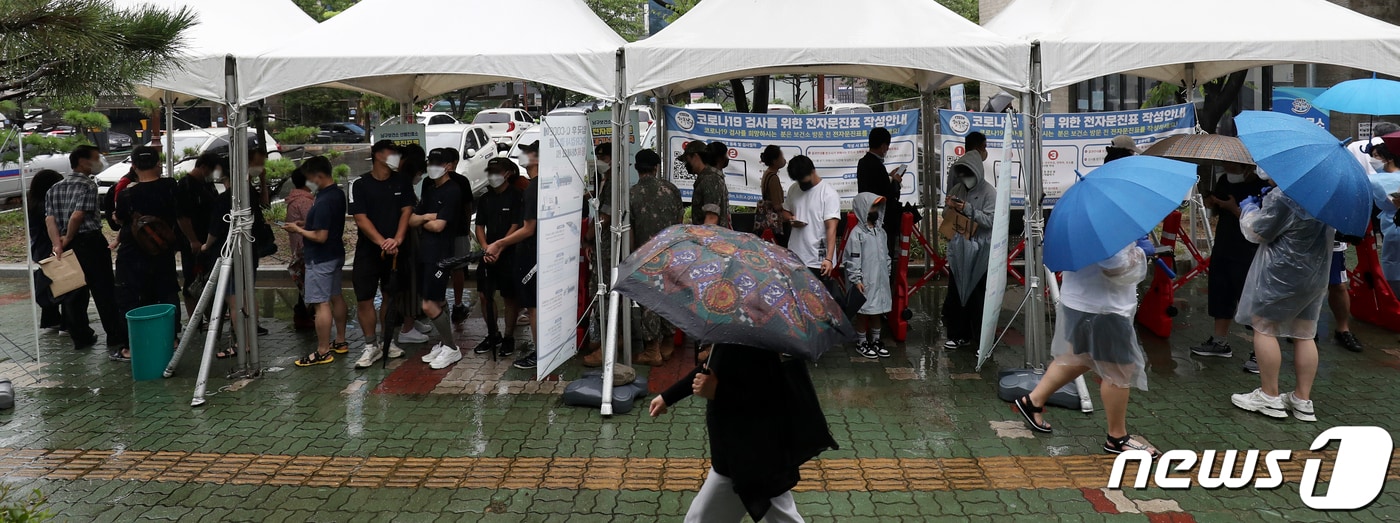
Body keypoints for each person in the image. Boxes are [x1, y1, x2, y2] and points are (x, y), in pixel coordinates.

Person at [649, 343, 836, 522]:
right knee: (781, 513)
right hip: (755, 457)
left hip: (742, 458)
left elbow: (766, 399)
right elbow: (708, 369)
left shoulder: (754, 344)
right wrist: (668, 397)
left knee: (699, 519)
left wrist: (718, 391)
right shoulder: (736, 335)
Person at [1013, 239, 1158, 456]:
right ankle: (1117, 438)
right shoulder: (1107, 218)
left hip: (1081, 301)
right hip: (1103, 308)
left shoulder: (1086, 215)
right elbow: (1114, 266)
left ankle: (1032, 401)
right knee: (1118, 370)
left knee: (1079, 358)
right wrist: (1140, 252)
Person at [1230, 179, 1330, 422]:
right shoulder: (1324, 192)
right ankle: (1302, 400)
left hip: (1280, 274)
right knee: (1305, 334)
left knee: (1264, 328)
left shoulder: (1283, 195)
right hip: (1314, 274)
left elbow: (1257, 232)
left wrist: (1250, 210)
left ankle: (1269, 396)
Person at [47, 145, 127, 356]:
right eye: (95, 158)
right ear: (82, 162)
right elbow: (77, 215)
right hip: (89, 242)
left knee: (73, 293)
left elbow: (50, 219)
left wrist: (58, 244)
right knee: (104, 291)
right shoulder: (88, 185)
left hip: (65, 246)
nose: (99, 161)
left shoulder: (54, 188)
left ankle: (80, 336)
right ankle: (114, 336)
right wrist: (70, 236)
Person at [1190, 163, 1267, 365]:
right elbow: (1215, 212)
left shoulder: (1259, 185)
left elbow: (1261, 223)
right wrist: (1211, 202)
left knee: (1250, 297)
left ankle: (1260, 351)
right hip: (1224, 243)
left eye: (1230, 163)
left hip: (1248, 248)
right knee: (1220, 289)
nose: (1226, 165)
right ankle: (1219, 341)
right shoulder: (1224, 180)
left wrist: (1233, 208)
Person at [348, 140, 414, 365]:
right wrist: (382, 243)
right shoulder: (359, 184)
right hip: (368, 251)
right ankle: (370, 345)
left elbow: (407, 211)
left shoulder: (402, 181)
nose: (395, 156)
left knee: (390, 296)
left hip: (396, 250)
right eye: (391, 152)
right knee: (364, 298)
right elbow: (360, 218)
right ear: (377, 155)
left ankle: (388, 341)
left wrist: (397, 239)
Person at [112, 146, 180, 362]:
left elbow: (120, 219)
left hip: (134, 254)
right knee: (167, 291)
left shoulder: (127, 194)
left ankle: (132, 346)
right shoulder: (171, 186)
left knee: (130, 297)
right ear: (158, 163)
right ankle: (172, 339)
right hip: (162, 249)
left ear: (133, 166)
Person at [284, 157, 349, 367]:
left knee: (321, 304)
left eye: (310, 178)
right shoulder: (336, 193)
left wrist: (298, 230)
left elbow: (320, 236)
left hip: (320, 258)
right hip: (335, 253)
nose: (308, 183)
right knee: (336, 296)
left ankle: (322, 351)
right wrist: (307, 223)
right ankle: (340, 340)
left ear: (318, 176)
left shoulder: (323, 200)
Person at [410, 149, 468, 370]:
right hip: (427, 252)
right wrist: (427, 216)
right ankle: (445, 343)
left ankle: (452, 348)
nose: (432, 167)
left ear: (449, 166)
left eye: (438, 163)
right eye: (430, 163)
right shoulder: (431, 189)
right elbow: (412, 220)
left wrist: (425, 219)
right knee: (438, 300)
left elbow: (439, 225)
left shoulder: (453, 190)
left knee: (428, 305)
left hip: (441, 255)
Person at [486, 141, 540, 370]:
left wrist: (499, 243)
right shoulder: (540, 184)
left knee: (534, 306)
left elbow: (528, 228)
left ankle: (540, 353)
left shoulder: (532, 189)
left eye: (528, 153)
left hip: (531, 254)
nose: (523, 156)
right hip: (542, 252)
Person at [30, 169, 96, 348]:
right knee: (69, 287)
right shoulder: (46, 205)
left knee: (55, 284)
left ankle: (52, 319)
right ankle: (68, 325)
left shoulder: (32, 204)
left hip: (40, 249)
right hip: (54, 247)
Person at [942, 144, 995, 349]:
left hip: (980, 251)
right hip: (959, 250)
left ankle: (979, 337)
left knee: (977, 295)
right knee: (957, 293)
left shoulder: (989, 193)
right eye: (962, 174)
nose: (965, 178)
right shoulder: (958, 189)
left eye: (968, 173)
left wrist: (968, 208)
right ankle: (957, 334)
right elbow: (947, 217)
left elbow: (990, 221)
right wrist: (950, 206)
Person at [473, 158, 523, 359]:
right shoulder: (485, 199)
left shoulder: (517, 196)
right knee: (485, 295)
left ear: (507, 174)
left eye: (497, 172)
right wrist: (486, 248)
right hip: (488, 255)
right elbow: (479, 226)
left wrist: (500, 246)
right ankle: (493, 334)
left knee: (510, 298)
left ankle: (509, 336)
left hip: (509, 253)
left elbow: (517, 225)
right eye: (490, 172)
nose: (492, 176)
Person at [844, 193, 893, 359]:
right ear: (863, 209)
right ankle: (862, 342)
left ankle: (876, 340)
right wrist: (856, 279)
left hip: (880, 280)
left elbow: (886, 256)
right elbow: (852, 259)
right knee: (863, 312)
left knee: (877, 311)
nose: (876, 210)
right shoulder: (857, 234)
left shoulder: (881, 232)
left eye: (877, 207)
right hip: (865, 281)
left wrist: (888, 272)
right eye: (872, 207)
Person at [174, 152, 220, 318]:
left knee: (207, 277)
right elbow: (182, 217)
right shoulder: (186, 185)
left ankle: (208, 313)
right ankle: (195, 316)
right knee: (192, 277)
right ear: (203, 167)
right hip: (193, 241)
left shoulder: (206, 184)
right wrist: (192, 240)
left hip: (208, 238)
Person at [783, 155, 840, 278]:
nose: (801, 183)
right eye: (797, 180)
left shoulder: (828, 194)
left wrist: (829, 259)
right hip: (795, 256)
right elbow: (785, 211)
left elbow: (832, 228)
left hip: (818, 260)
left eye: (803, 179)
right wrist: (791, 219)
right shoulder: (794, 189)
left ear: (813, 171)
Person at [438, 148, 476, 325]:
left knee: (440, 268)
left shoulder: (432, 181)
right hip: (459, 230)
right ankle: (458, 305)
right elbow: (468, 207)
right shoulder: (461, 181)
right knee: (458, 268)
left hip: (438, 231)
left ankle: (440, 303)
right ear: (454, 162)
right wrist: (467, 227)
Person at [856, 127, 904, 255]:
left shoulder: (863, 162)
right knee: (884, 254)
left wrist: (889, 177)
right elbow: (887, 195)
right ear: (883, 146)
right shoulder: (878, 166)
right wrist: (895, 182)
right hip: (881, 220)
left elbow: (872, 186)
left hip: (866, 217)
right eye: (887, 147)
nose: (887, 150)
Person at [284, 168, 317, 330]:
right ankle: (304, 316)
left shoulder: (295, 199)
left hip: (299, 247)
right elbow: (314, 224)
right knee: (309, 286)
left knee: (305, 285)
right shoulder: (305, 201)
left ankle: (303, 316)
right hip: (306, 247)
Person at [682, 141, 730, 228]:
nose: (686, 164)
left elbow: (711, 218)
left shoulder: (710, 179)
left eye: (687, 160)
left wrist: (703, 240)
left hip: (710, 239)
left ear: (696, 156)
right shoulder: (707, 178)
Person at [756, 145, 788, 246]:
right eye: (781, 157)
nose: (784, 160)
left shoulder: (767, 173)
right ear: (775, 161)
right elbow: (777, 205)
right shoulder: (773, 178)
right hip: (775, 224)